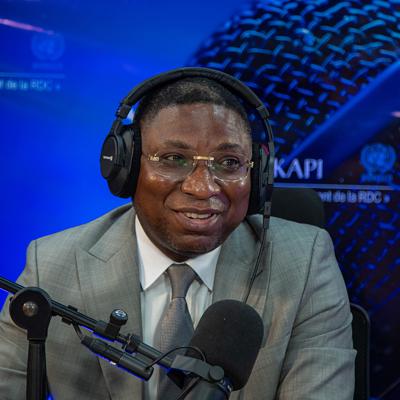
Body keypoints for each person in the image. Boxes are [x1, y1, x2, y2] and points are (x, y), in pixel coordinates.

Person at [0, 69, 356, 399]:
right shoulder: (53, 265)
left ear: (257, 175)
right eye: (173, 159)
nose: (203, 188)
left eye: (229, 163)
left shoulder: (305, 264)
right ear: (126, 166)